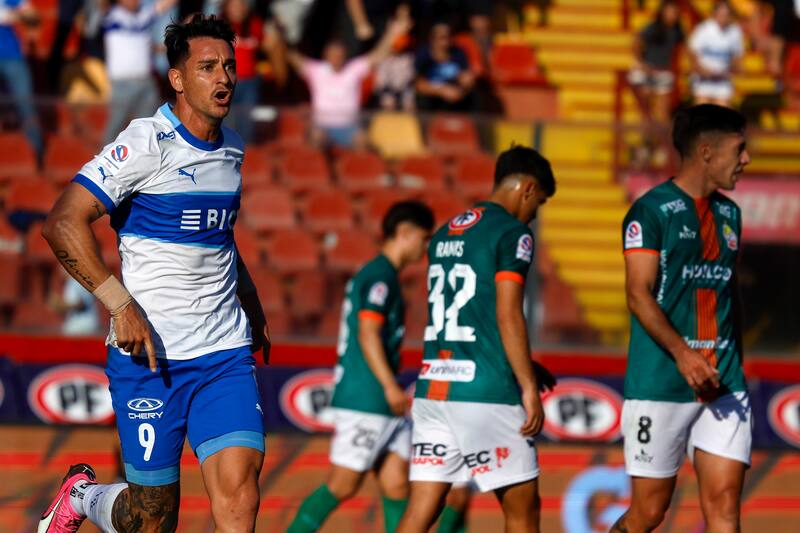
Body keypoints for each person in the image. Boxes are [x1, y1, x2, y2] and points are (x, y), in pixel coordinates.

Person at [37, 14, 271, 533]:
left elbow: (220, 235)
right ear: (178, 78)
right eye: (207, 67)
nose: (224, 79)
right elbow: (61, 222)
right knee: (151, 520)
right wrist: (120, 303)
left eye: (229, 67)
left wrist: (250, 304)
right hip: (150, 358)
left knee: (240, 498)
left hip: (222, 355)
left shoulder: (232, 147)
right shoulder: (146, 142)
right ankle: (85, 496)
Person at [397, 145, 557, 533]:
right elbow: (507, 313)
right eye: (540, 203)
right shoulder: (512, 233)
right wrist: (528, 385)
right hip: (485, 393)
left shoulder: (445, 232)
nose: (535, 214)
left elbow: (472, 315)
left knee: (420, 513)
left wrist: (522, 363)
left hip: (435, 389)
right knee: (523, 511)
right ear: (528, 189)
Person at [611, 104, 752, 533]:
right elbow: (638, 294)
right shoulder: (650, 212)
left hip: (724, 380)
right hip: (662, 381)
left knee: (725, 505)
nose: (746, 160)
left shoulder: (731, 215)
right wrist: (685, 356)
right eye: (740, 149)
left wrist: (735, 365)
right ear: (707, 152)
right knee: (649, 513)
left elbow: (726, 293)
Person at [287, 201, 435, 533]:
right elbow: (368, 333)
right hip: (367, 397)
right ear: (405, 233)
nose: (425, 247)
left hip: (380, 400)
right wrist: (388, 385)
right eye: (423, 238)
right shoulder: (380, 277)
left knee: (397, 485)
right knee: (343, 484)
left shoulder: (382, 275)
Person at [284, 13, 411, 149]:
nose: (337, 58)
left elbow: (378, 55)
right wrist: (280, 36)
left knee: (363, 139)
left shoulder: (354, 68)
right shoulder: (317, 70)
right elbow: (294, 59)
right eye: (333, 55)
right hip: (323, 126)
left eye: (340, 55)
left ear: (345, 55)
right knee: (316, 137)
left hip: (349, 127)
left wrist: (391, 34)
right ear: (326, 55)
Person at [102, 0, 177, 143]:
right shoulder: (112, 16)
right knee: (116, 125)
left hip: (146, 81)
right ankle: (103, 162)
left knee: (150, 126)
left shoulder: (143, 16)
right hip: (122, 83)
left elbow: (164, 5)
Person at [220, 0, 269, 142]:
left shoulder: (255, 24)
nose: (239, 9)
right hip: (225, 82)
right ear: (226, 7)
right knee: (225, 123)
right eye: (234, 5)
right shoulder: (218, 25)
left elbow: (266, 44)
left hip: (250, 83)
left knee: (246, 125)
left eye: (242, 5)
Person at [628, 0, 684, 124]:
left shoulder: (677, 30)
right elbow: (635, 42)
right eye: (670, 11)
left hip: (663, 71)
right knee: (646, 110)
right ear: (662, 12)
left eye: (674, 12)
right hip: (648, 71)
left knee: (663, 110)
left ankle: (663, 141)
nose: (672, 14)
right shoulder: (652, 27)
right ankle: (647, 139)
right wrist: (641, 63)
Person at [0, 0, 43, 158]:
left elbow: (30, 13)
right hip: (12, 58)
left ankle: (38, 156)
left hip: (13, 56)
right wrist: (12, 15)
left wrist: (15, 15)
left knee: (26, 104)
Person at [688, 1, 745, 107]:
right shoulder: (704, 29)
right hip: (703, 80)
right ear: (714, 14)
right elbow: (692, 51)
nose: (723, 18)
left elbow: (737, 54)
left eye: (726, 15)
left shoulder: (734, 31)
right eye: (720, 14)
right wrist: (701, 69)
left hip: (722, 80)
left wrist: (735, 67)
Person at [414, 21, 476, 111]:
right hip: (432, 97)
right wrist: (441, 90)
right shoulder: (423, 54)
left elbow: (466, 75)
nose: (446, 42)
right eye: (442, 38)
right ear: (432, 39)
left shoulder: (458, 53)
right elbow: (418, 84)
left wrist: (463, 88)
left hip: (455, 93)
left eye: (449, 37)